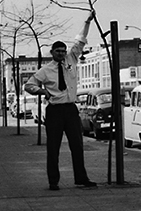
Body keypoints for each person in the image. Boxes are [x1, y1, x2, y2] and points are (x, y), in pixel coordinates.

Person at [24, 11, 96, 191]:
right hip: (55, 111)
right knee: (53, 147)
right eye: (58, 51)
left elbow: (80, 39)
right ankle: (53, 181)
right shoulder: (45, 70)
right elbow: (29, 85)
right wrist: (42, 91)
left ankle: (81, 178)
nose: (62, 53)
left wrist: (87, 21)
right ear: (52, 52)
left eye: (63, 51)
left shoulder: (71, 59)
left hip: (71, 110)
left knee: (77, 146)